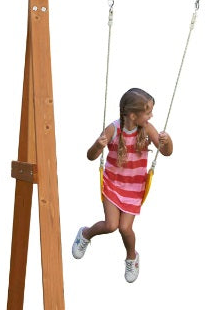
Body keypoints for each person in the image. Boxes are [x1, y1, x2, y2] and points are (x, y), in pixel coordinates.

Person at [71, 88, 174, 282]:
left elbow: (167, 152)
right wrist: (98, 146)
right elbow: (90, 156)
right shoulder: (113, 129)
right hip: (113, 183)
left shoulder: (148, 129)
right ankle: (86, 233)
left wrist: (167, 142)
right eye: (148, 111)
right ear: (133, 115)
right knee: (111, 225)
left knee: (125, 228)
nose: (151, 115)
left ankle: (131, 257)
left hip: (134, 187)